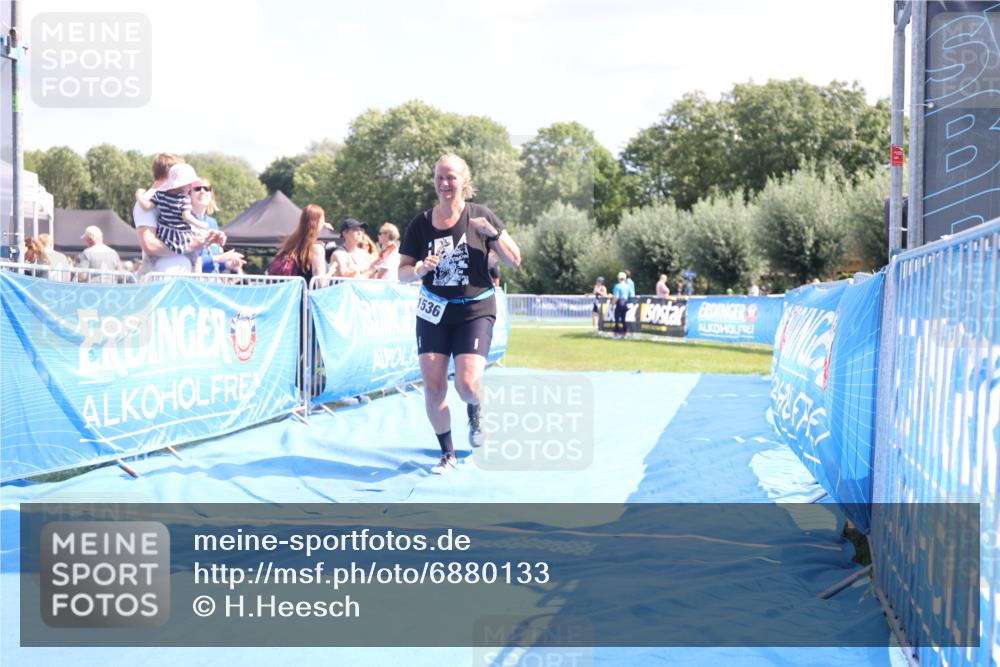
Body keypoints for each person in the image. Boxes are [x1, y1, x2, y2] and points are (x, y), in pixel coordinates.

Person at [399, 153, 521, 474]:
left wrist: (492, 235)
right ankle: (447, 453)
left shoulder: (481, 216)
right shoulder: (421, 223)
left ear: (464, 181)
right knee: (434, 386)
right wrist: (419, 269)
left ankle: (476, 409)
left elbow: (515, 260)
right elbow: (401, 272)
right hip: (434, 311)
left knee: (466, 385)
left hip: (475, 310)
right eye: (439, 177)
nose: (444, 183)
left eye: (451, 177)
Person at [134, 153, 225, 274]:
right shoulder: (151, 197)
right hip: (163, 281)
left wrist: (208, 238)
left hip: (177, 281)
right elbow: (150, 245)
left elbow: (185, 231)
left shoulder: (178, 197)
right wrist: (192, 245)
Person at [189, 177, 243, 273]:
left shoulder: (212, 222)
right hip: (194, 282)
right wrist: (220, 257)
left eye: (206, 188)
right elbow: (189, 260)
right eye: (197, 188)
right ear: (189, 194)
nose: (202, 191)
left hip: (213, 282)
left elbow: (216, 261)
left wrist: (229, 264)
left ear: (211, 195)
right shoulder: (184, 221)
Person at [270, 204, 330, 282]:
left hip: (292, 292)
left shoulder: (291, 244)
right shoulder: (317, 248)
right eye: (323, 220)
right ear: (318, 222)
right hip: (306, 292)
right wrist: (329, 276)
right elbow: (321, 282)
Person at [612, 271, 635, 339]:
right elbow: (632, 295)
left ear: (618, 278)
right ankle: (625, 333)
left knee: (617, 319)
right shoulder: (628, 286)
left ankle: (616, 333)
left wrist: (613, 303)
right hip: (625, 303)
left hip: (619, 303)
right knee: (623, 319)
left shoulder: (617, 286)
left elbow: (616, 296)